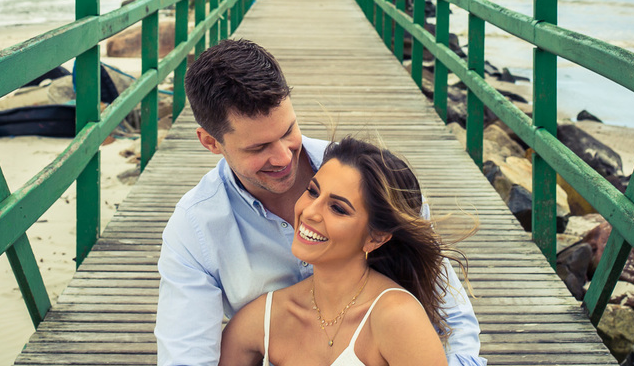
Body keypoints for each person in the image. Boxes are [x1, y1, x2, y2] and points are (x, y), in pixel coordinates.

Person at [155, 39, 482, 366]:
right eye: (258, 148)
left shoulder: (377, 183)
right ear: (210, 142)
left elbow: (451, 317)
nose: (283, 157)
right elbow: (185, 357)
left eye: (288, 131)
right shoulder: (195, 229)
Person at [218, 136, 463, 366]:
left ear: (376, 237)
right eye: (312, 192)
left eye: (337, 208)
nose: (309, 212)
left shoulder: (397, 317)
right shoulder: (266, 317)